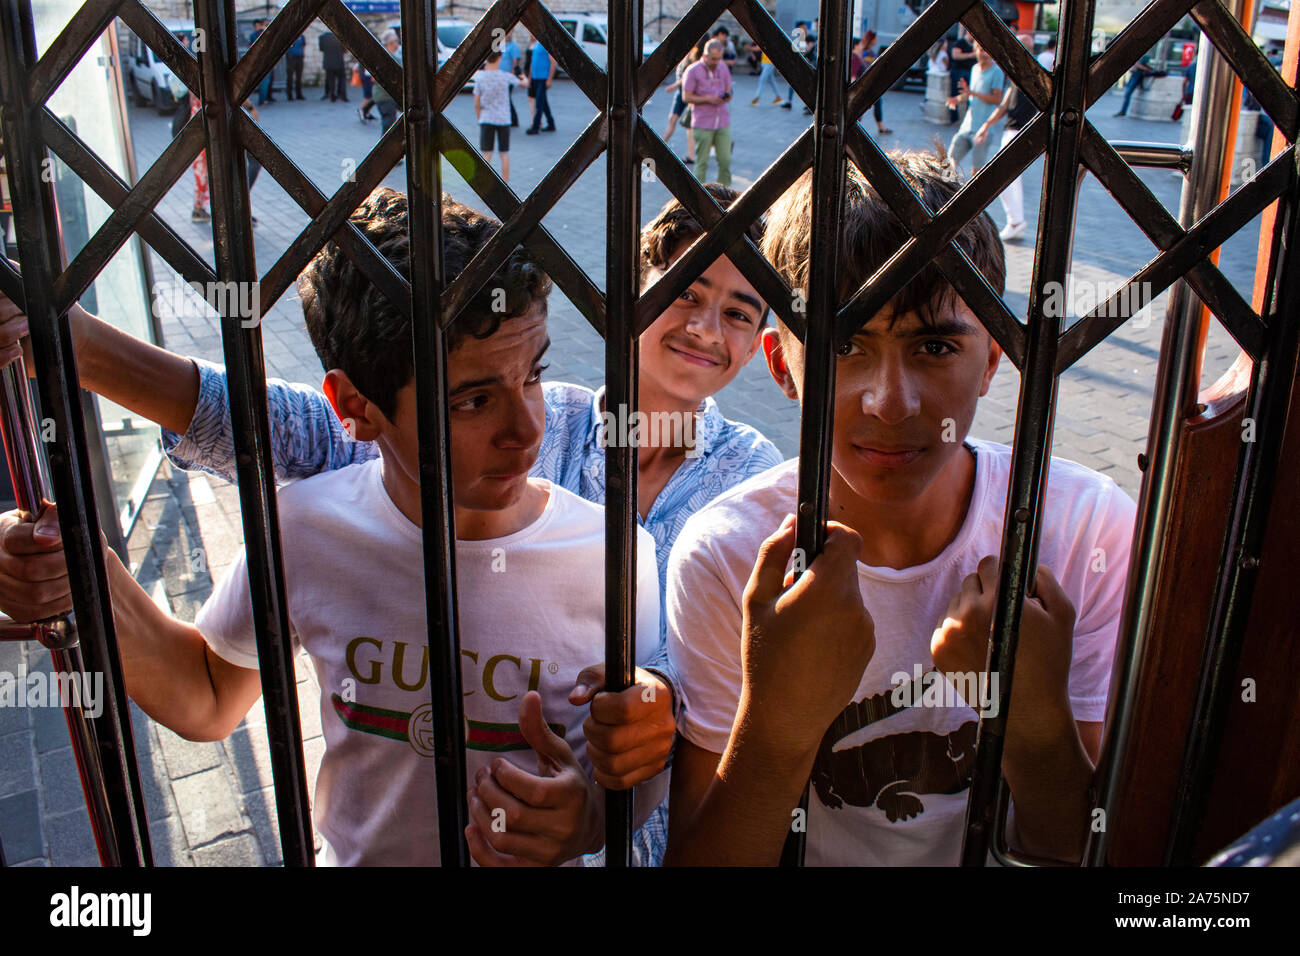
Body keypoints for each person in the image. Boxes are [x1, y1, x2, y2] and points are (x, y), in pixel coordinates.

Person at [0, 184, 782, 866]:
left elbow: (727, 678)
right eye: (686, 293)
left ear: (765, 343)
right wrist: (75, 352)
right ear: (633, 291)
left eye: (739, 312)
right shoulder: (523, 421)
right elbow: (305, 437)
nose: (706, 327)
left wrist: (645, 719)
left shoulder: (750, 488)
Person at [662, 150, 1137, 866]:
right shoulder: (731, 555)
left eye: (934, 346)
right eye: (847, 346)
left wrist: (1033, 722)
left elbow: (1086, 850)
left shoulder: (1081, 530)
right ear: (782, 364)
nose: (891, 403)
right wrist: (777, 725)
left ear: (993, 359)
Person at [974, 33, 1037, 241]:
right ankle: (1016, 221)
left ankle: (1016, 221)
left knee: (1004, 177)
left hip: (1019, 132)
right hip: (1014, 131)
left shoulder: (1034, 74)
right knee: (1011, 180)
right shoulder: (1017, 74)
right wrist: (986, 125)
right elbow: (1003, 106)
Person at [946, 40, 1003, 174]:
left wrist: (972, 93)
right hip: (966, 126)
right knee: (949, 163)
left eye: (987, 51)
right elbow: (971, 94)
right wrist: (957, 99)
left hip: (983, 130)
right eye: (981, 50)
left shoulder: (997, 72)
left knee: (976, 171)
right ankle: (945, 186)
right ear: (975, 51)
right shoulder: (975, 69)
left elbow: (997, 99)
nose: (985, 54)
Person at [682, 39, 733, 187]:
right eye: (713, 59)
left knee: (725, 160)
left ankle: (725, 193)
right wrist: (708, 99)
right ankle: (698, 194)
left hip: (722, 121)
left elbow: (729, 89)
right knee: (702, 162)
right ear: (705, 55)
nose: (716, 62)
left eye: (719, 58)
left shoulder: (723, 67)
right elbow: (686, 97)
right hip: (702, 122)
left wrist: (727, 96)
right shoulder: (693, 71)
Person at [473, 52, 527, 183]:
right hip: (503, 119)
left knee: (486, 154)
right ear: (499, 58)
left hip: (487, 118)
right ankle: (505, 183)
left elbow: (476, 103)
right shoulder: (505, 76)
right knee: (504, 154)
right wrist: (523, 76)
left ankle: (483, 184)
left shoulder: (480, 77)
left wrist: (479, 118)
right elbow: (524, 84)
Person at [664, 44, 702, 162]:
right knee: (672, 119)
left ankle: (691, 155)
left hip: (690, 93)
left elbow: (687, 76)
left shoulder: (695, 56)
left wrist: (674, 85)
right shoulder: (684, 55)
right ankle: (661, 144)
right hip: (681, 93)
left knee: (689, 125)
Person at [854, 32, 892, 136]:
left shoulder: (868, 51)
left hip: (871, 83)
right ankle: (855, 127)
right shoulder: (864, 53)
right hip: (867, 84)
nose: (877, 40)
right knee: (860, 108)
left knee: (874, 104)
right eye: (875, 38)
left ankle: (879, 126)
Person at [371, 30, 402, 135]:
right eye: (397, 41)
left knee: (389, 123)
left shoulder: (379, 56)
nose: (398, 43)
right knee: (388, 126)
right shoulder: (392, 59)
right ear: (391, 43)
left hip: (381, 95)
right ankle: (385, 145)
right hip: (386, 96)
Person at [525, 38, 556, 134]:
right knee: (543, 103)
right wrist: (530, 78)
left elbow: (553, 62)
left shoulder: (546, 43)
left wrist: (549, 79)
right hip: (535, 78)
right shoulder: (536, 44)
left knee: (539, 103)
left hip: (543, 78)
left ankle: (535, 127)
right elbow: (533, 62)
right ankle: (551, 124)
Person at [780, 21, 812, 109]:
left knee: (807, 85)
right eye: (801, 28)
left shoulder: (810, 38)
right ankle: (789, 101)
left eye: (804, 27)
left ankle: (809, 104)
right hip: (800, 64)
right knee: (793, 82)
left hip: (809, 64)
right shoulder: (800, 39)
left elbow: (807, 50)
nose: (804, 29)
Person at [496, 29, 524, 127]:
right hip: (499, 77)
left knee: (506, 98)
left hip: (507, 78)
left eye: (510, 32)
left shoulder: (513, 46)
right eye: (507, 32)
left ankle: (513, 120)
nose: (508, 34)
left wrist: (511, 77)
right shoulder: (500, 45)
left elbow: (515, 63)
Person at [249, 20, 275, 105]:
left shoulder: (264, 34)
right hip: (259, 59)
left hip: (266, 59)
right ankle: (262, 99)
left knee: (267, 81)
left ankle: (265, 98)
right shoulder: (256, 35)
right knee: (263, 80)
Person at [319, 30, 347, 102]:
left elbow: (321, 49)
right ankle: (342, 95)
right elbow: (345, 50)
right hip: (339, 62)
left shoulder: (322, 37)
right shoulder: (340, 37)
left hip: (328, 62)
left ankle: (332, 95)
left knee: (330, 80)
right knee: (342, 79)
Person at [285, 32, 306, 100]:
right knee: (290, 77)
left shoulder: (302, 36)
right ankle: (290, 95)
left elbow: (303, 46)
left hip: (299, 57)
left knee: (299, 77)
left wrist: (303, 54)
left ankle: (299, 94)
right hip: (291, 57)